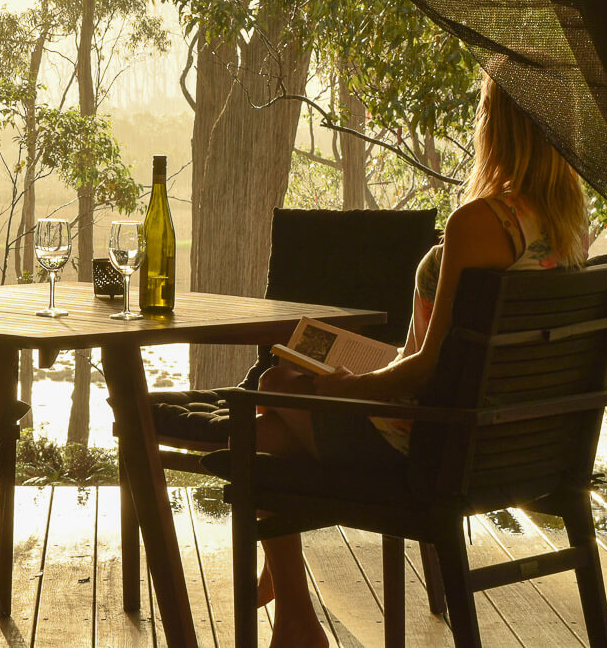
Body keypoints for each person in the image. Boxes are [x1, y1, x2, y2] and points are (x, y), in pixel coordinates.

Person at [251, 73, 589, 647]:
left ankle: (293, 607)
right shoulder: (568, 226)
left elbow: (428, 370)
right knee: (274, 417)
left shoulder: (482, 222)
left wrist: (350, 388)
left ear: (499, 125)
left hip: (432, 446)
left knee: (273, 390)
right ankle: (293, 611)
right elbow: (450, 357)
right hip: (510, 446)